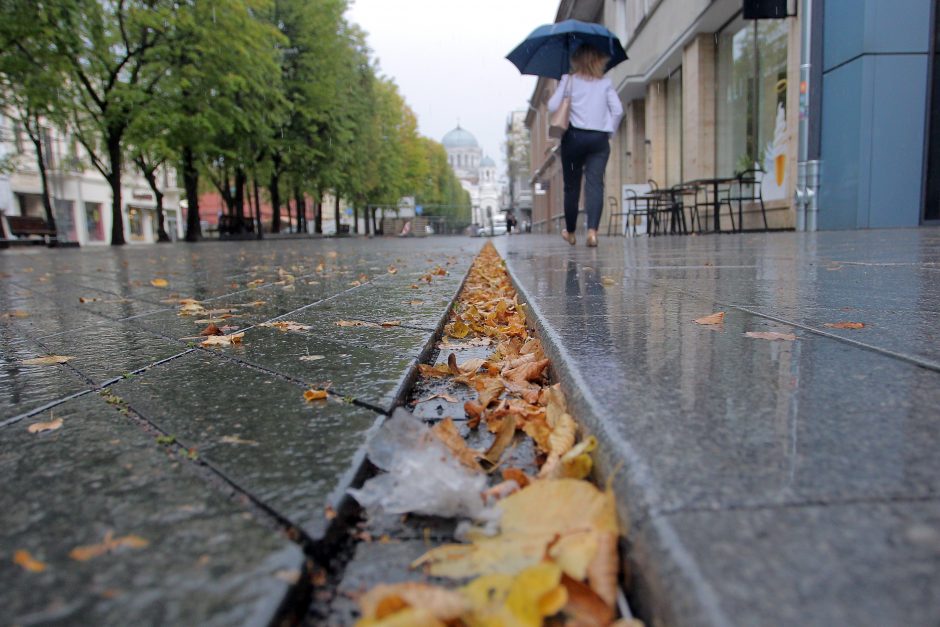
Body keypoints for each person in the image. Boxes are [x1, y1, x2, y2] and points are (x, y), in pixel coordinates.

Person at [548, 45, 623, 247]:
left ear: (577, 60)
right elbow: (618, 110)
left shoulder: (569, 80)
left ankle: (571, 232)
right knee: (595, 184)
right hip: (598, 139)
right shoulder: (605, 84)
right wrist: (609, 132)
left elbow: (552, 106)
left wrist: (566, 91)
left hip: (574, 138)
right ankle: (592, 231)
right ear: (599, 60)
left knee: (571, 187)